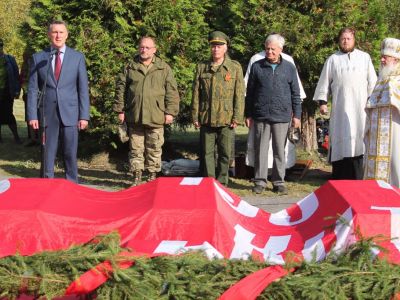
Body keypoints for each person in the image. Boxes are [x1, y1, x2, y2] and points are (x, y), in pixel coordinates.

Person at [27, 20, 90, 183]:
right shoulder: (38, 58)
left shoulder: (77, 58)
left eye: (61, 32)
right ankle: (46, 188)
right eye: (54, 32)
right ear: (49, 35)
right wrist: (32, 115)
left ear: (67, 35)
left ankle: (72, 187)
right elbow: (33, 89)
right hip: (47, 114)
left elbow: (83, 89)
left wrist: (84, 116)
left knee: (70, 154)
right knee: (47, 155)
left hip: (70, 113)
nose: (58, 35)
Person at [114, 36, 180, 186]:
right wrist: (120, 109)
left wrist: (170, 112)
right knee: (136, 149)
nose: (144, 50)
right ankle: (137, 177)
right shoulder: (130, 67)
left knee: (154, 148)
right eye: (142, 47)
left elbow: (172, 92)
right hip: (135, 114)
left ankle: (152, 177)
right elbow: (120, 89)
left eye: (147, 48)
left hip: (156, 115)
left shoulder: (164, 68)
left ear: (154, 50)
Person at [313, 27, 377, 180]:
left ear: (354, 40)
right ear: (339, 41)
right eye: (343, 38)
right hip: (341, 108)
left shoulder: (365, 57)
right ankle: (341, 177)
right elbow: (324, 82)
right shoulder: (333, 59)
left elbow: (373, 82)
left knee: (359, 140)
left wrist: (372, 101)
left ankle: (359, 176)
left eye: (349, 38)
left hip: (361, 109)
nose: (346, 41)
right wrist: (322, 102)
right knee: (341, 139)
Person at [245, 33, 301, 194]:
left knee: (279, 151)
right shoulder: (257, 66)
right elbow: (250, 93)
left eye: (273, 49)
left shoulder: (289, 68)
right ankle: (260, 181)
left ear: (280, 50)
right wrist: (248, 114)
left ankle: (278, 182)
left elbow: (295, 93)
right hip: (261, 115)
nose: (269, 52)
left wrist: (296, 115)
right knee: (260, 150)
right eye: (267, 49)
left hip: (282, 116)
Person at [191, 31, 245, 186]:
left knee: (225, 153)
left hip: (226, 118)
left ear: (226, 48)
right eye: (213, 46)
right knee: (206, 153)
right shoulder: (202, 67)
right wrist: (195, 116)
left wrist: (237, 117)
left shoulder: (234, 68)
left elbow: (239, 94)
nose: (216, 49)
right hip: (206, 116)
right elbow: (196, 93)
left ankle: (222, 183)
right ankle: (209, 183)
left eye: (219, 46)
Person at [364, 38, 400, 187]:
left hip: (395, 133)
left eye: (386, 57)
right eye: (382, 56)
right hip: (376, 137)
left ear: (396, 59)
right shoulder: (380, 81)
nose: (382, 59)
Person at [0, 39, 22, 143]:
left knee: (9, 114)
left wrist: (17, 90)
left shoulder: (10, 59)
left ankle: (16, 137)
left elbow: (17, 76)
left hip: (7, 91)